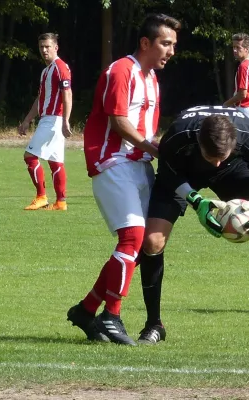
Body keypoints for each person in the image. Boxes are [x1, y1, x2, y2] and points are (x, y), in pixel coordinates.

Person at [138, 105, 249, 347]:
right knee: (152, 241)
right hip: (183, 173)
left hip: (233, 171)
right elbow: (168, 173)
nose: (215, 164)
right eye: (210, 157)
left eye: (221, 157)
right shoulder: (177, 136)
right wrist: (196, 201)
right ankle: (154, 324)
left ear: (234, 143)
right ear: (198, 141)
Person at [66, 14, 181, 346]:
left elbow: (145, 129)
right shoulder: (121, 70)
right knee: (131, 239)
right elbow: (118, 122)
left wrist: (155, 148)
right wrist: (153, 148)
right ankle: (111, 315)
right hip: (112, 164)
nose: (171, 51)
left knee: (141, 246)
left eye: (173, 44)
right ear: (145, 43)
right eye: (165, 43)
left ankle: (87, 309)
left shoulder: (151, 78)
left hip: (140, 167)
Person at [18, 33, 73, 211]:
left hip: (53, 120)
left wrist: (66, 120)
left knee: (30, 156)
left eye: (47, 46)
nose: (44, 50)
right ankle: (61, 202)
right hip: (48, 119)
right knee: (55, 162)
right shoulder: (46, 70)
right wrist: (27, 120)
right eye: (41, 47)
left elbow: (68, 94)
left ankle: (41, 196)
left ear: (56, 47)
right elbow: (40, 99)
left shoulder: (60, 67)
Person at [222, 33, 249, 123]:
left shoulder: (244, 66)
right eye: (233, 47)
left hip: (246, 111)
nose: (234, 50)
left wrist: (226, 104)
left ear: (247, 49)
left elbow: (242, 94)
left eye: (238, 47)